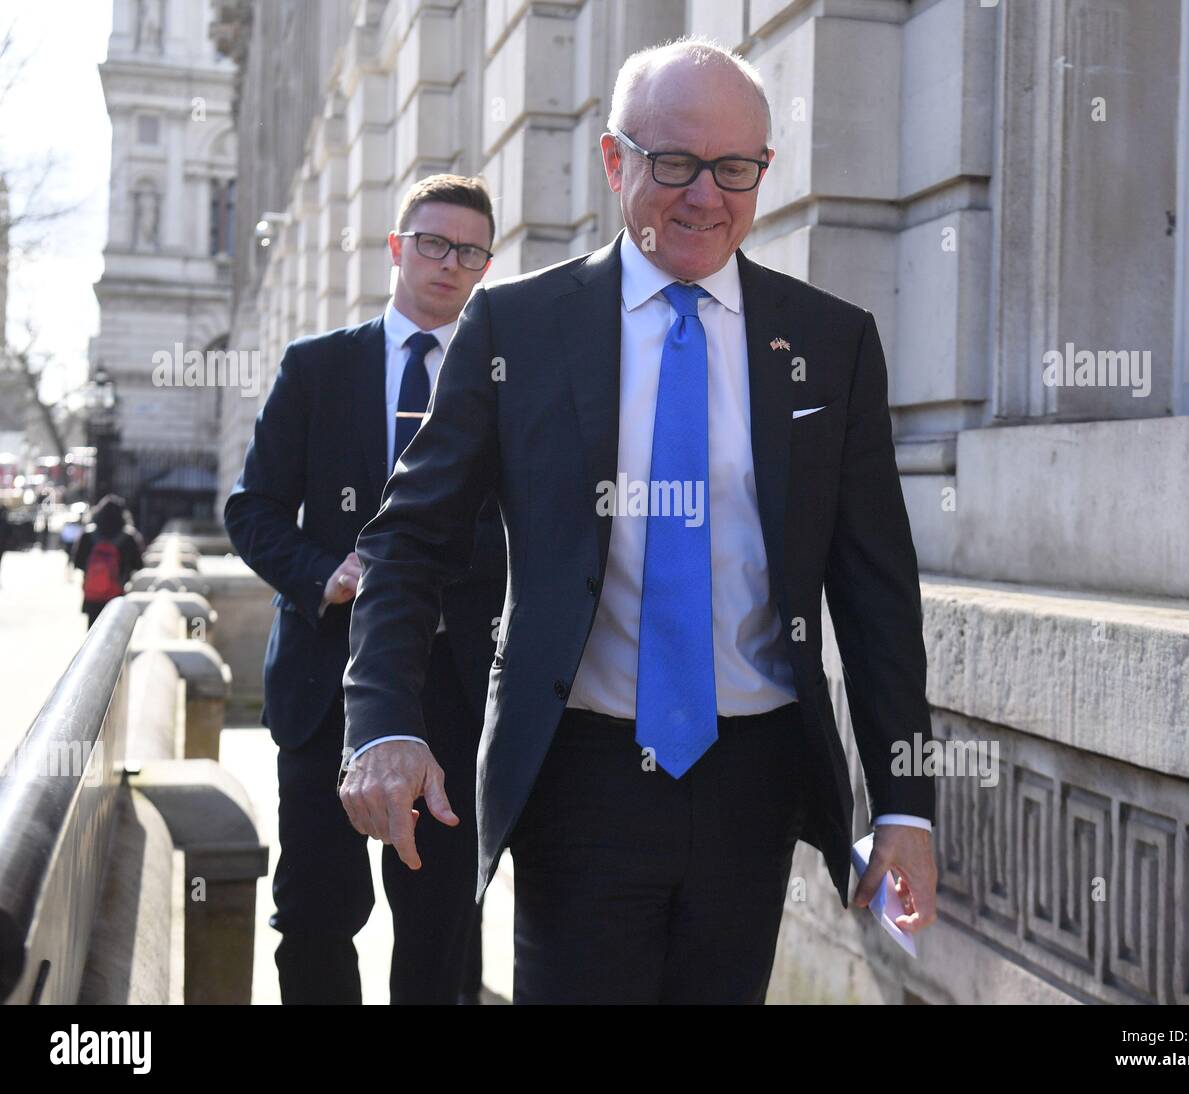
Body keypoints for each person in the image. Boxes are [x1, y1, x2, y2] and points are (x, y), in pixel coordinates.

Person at [340, 37, 938, 1005]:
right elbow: (407, 541)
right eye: (673, 163)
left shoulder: (830, 345)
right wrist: (380, 724)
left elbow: (876, 596)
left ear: (763, 173)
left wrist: (905, 799)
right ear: (615, 161)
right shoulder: (516, 331)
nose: (705, 196)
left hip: (755, 779)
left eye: (733, 168)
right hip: (580, 778)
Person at [225, 174, 506, 1005]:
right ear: (395, 248)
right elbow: (253, 510)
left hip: (455, 691)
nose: (448, 265)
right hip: (323, 688)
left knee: (445, 925)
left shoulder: (503, 383)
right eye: (431, 243)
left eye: (469, 251)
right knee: (314, 913)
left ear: (485, 266)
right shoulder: (316, 368)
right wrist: (326, 573)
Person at [73, 495, 145, 627]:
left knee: (92, 637)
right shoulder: (129, 537)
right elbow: (139, 565)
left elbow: (78, 562)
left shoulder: (88, 534)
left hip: (93, 597)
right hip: (116, 596)